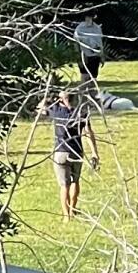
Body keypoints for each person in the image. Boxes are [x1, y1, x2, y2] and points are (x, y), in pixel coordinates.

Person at [45, 76, 91, 218]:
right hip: (76, 151)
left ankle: (66, 215)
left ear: (62, 100)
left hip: (60, 152)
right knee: (75, 181)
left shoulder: (56, 111)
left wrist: (54, 98)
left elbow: (40, 107)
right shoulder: (81, 113)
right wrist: (95, 153)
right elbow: (89, 133)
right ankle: (73, 209)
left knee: (64, 185)